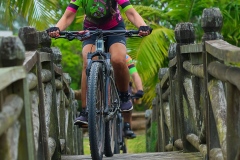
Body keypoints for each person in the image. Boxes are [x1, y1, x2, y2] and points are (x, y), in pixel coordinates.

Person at [47, 0, 151, 130]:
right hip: (91, 30)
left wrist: (142, 26)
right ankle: (85, 111)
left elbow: (131, 12)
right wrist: (57, 28)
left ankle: (124, 96)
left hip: (115, 28)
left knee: (118, 59)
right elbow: (68, 15)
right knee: (87, 62)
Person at [74, 54, 144, 138]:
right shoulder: (98, 56)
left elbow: (134, 74)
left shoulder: (125, 58)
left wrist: (140, 89)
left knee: (127, 92)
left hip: (121, 85)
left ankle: (127, 125)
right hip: (107, 84)